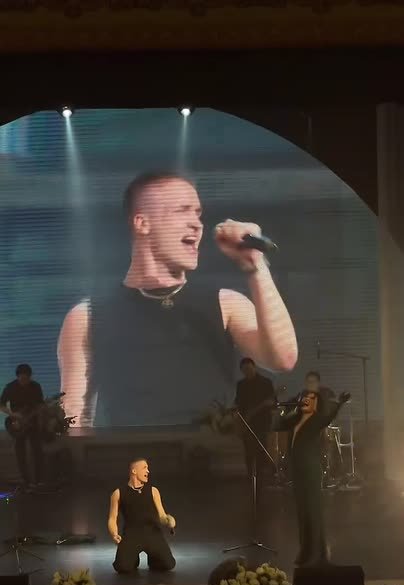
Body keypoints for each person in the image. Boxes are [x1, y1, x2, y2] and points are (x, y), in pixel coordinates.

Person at [58, 172, 297, 426]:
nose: (197, 224)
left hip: (211, 449)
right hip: (129, 450)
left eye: (198, 213)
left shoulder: (227, 304)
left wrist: (254, 264)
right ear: (142, 223)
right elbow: (75, 415)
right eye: (182, 211)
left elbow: (282, 359)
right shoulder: (86, 317)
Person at [280, 389, 350, 566]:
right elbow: (278, 424)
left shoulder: (317, 419)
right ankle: (304, 550)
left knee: (314, 512)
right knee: (302, 512)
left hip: (311, 470)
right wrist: (286, 409)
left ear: (317, 404)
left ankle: (319, 552)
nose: (307, 400)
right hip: (297, 471)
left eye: (312, 399)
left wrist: (339, 403)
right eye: (305, 397)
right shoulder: (294, 419)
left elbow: (328, 417)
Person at [108, 458, 176, 573]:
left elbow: (162, 515)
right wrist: (114, 534)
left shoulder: (153, 491)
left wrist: (168, 520)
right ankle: (133, 558)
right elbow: (112, 518)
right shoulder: (118, 493)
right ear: (134, 471)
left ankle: (154, 558)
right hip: (132, 534)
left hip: (152, 533)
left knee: (168, 564)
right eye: (145, 468)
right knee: (122, 567)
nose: (148, 471)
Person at [0, 364, 44, 487]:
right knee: (20, 452)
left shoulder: (36, 386)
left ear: (30, 376)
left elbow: (40, 404)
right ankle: (26, 481)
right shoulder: (10, 387)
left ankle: (38, 481)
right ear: (18, 376)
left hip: (33, 422)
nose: (24, 381)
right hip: (17, 423)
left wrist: (40, 413)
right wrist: (13, 414)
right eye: (22, 378)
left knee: (37, 450)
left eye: (27, 378)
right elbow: (1, 405)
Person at [235, 357, 276, 478]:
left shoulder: (266, 382)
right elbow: (238, 402)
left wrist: (268, 404)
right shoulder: (241, 385)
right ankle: (251, 477)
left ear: (254, 367)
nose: (247, 372)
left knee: (261, 449)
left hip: (262, 422)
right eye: (244, 370)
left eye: (249, 368)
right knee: (248, 451)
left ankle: (261, 477)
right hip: (246, 422)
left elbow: (273, 401)